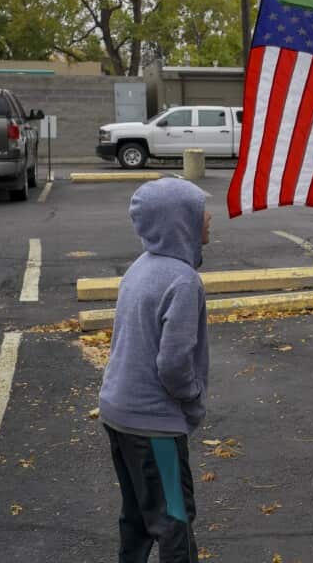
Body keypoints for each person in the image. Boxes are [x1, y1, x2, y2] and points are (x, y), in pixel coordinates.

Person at [98, 178, 212, 563]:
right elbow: (174, 364)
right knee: (173, 519)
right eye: (200, 211)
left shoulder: (141, 267)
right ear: (179, 221)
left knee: (136, 516)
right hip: (154, 425)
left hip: (118, 414)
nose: (208, 218)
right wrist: (194, 400)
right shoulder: (182, 280)